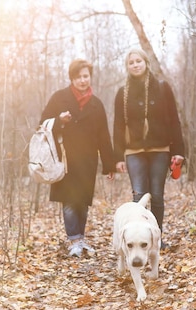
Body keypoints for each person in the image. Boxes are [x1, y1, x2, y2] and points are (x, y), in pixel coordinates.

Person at [40, 59, 116, 257]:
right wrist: (59, 121)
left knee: (82, 201)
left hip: (87, 160)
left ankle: (80, 240)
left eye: (86, 76)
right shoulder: (59, 98)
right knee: (69, 199)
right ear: (72, 79)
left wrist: (109, 164)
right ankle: (74, 239)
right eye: (78, 77)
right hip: (65, 158)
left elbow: (103, 136)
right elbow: (42, 124)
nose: (83, 80)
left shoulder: (96, 104)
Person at [113, 49, 185, 249]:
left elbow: (174, 121)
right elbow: (118, 126)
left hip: (160, 150)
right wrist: (117, 157)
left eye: (138, 61)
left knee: (157, 195)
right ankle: (137, 237)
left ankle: (155, 239)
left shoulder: (162, 88)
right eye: (131, 62)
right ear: (127, 67)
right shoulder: (122, 93)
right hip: (134, 152)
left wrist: (178, 150)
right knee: (139, 196)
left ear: (146, 63)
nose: (135, 65)